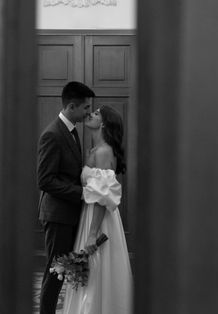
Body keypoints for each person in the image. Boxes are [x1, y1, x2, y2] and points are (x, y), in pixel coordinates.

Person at [62, 105, 133, 314]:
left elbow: (103, 197)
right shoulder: (96, 149)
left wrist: (93, 234)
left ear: (102, 123)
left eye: (95, 113)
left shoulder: (103, 152)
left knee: (96, 272)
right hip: (90, 213)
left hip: (98, 218)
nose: (90, 114)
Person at [37, 81, 95, 314]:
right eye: (85, 108)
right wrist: (82, 193)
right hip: (58, 216)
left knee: (69, 270)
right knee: (55, 271)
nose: (88, 112)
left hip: (70, 214)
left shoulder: (71, 131)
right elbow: (45, 180)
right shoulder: (52, 134)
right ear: (72, 106)